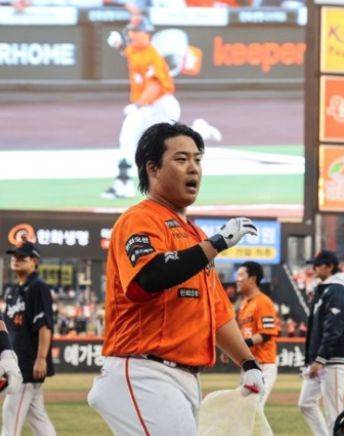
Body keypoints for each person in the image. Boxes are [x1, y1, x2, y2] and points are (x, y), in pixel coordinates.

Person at [87, 122, 264, 435]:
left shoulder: (195, 235)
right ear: (152, 168)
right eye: (181, 159)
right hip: (143, 370)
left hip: (181, 377)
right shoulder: (139, 218)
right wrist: (217, 243)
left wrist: (248, 362)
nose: (193, 168)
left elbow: (217, 314)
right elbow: (150, 277)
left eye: (197, 159)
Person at [103, 15, 180, 199]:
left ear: (144, 33)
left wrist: (139, 104)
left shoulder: (152, 55)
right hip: (148, 107)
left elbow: (155, 87)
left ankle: (199, 131)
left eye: (134, 31)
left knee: (165, 147)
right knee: (129, 139)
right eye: (130, 30)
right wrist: (119, 45)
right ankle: (123, 183)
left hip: (160, 106)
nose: (130, 34)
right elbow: (129, 53)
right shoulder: (135, 50)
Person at [2, 241, 56, 436]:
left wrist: (41, 359)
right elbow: (8, 328)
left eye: (21, 257)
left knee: (10, 417)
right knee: (38, 418)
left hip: (27, 364)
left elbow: (44, 325)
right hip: (16, 361)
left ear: (34, 261)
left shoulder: (37, 287)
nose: (16, 260)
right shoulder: (13, 291)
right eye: (14, 257)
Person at [298, 250, 344, 436]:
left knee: (334, 412)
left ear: (329, 266)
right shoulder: (326, 289)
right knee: (306, 403)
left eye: (317, 264)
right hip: (321, 360)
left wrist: (320, 358)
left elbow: (334, 328)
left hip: (333, 359)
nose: (313, 268)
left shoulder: (337, 290)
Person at [235, 261, 279, 408]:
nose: (237, 279)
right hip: (249, 364)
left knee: (253, 410)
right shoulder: (244, 304)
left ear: (252, 279)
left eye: (241, 275)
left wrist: (241, 345)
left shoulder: (264, 302)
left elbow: (266, 334)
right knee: (244, 410)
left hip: (263, 364)